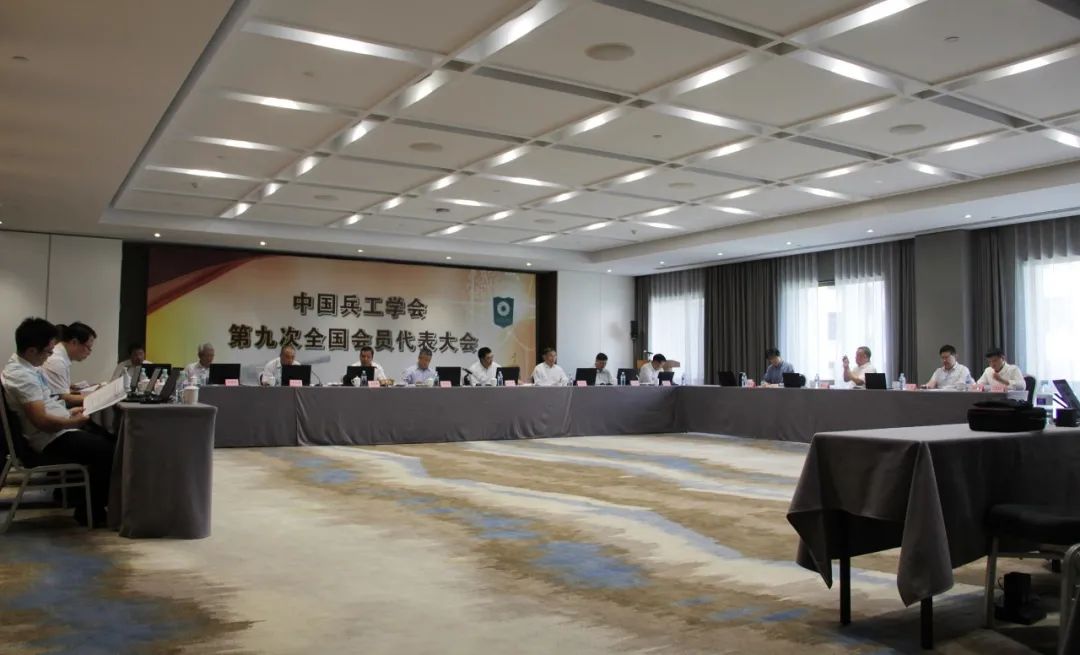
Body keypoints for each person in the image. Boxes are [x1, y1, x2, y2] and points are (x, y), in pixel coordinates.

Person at [1, 318, 113, 527]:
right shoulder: (22, 377)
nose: (50, 356)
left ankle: (82, 501)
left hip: (56, 429)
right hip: (49, 438)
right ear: (32, 351)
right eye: (48, 351)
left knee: (105, 437)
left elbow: (47, 403)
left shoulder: (26, 366)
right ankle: (90, 512)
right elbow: (42, 422)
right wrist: (72, 422)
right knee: (107, 451)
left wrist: (69, 413)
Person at [41, 322, 97, 407]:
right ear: (74, 342)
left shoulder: (62, 357)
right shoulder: (57, 361)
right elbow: (63, 399)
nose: (89, 352)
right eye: (88, 347)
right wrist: (96, 396)